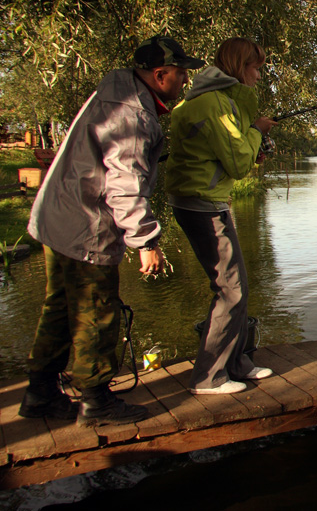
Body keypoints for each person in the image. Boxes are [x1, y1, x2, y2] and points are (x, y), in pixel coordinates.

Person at [21, 35, 200, 427]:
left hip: (58, 217)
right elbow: (125, 184)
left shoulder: (114, 94)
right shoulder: (132, 115)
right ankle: (97, 403)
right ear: (161, 74)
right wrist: (146, 240)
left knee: (60, 307)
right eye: (182, 74)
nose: (184, 81)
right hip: (86, 225)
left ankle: (39, 394)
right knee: (96, 311)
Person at [165, 37, 276, 395]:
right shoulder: (216, 104)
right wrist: (257, 131)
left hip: (204, 199)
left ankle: (237, 362)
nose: (258, 75)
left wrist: (250, 140)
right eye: (256, 67)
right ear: (240, 67)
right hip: (202, 203)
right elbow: (239, 162)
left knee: (237, 286)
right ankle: (209, 378)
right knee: (231, 290)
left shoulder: (207, 100)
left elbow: (228, 153)